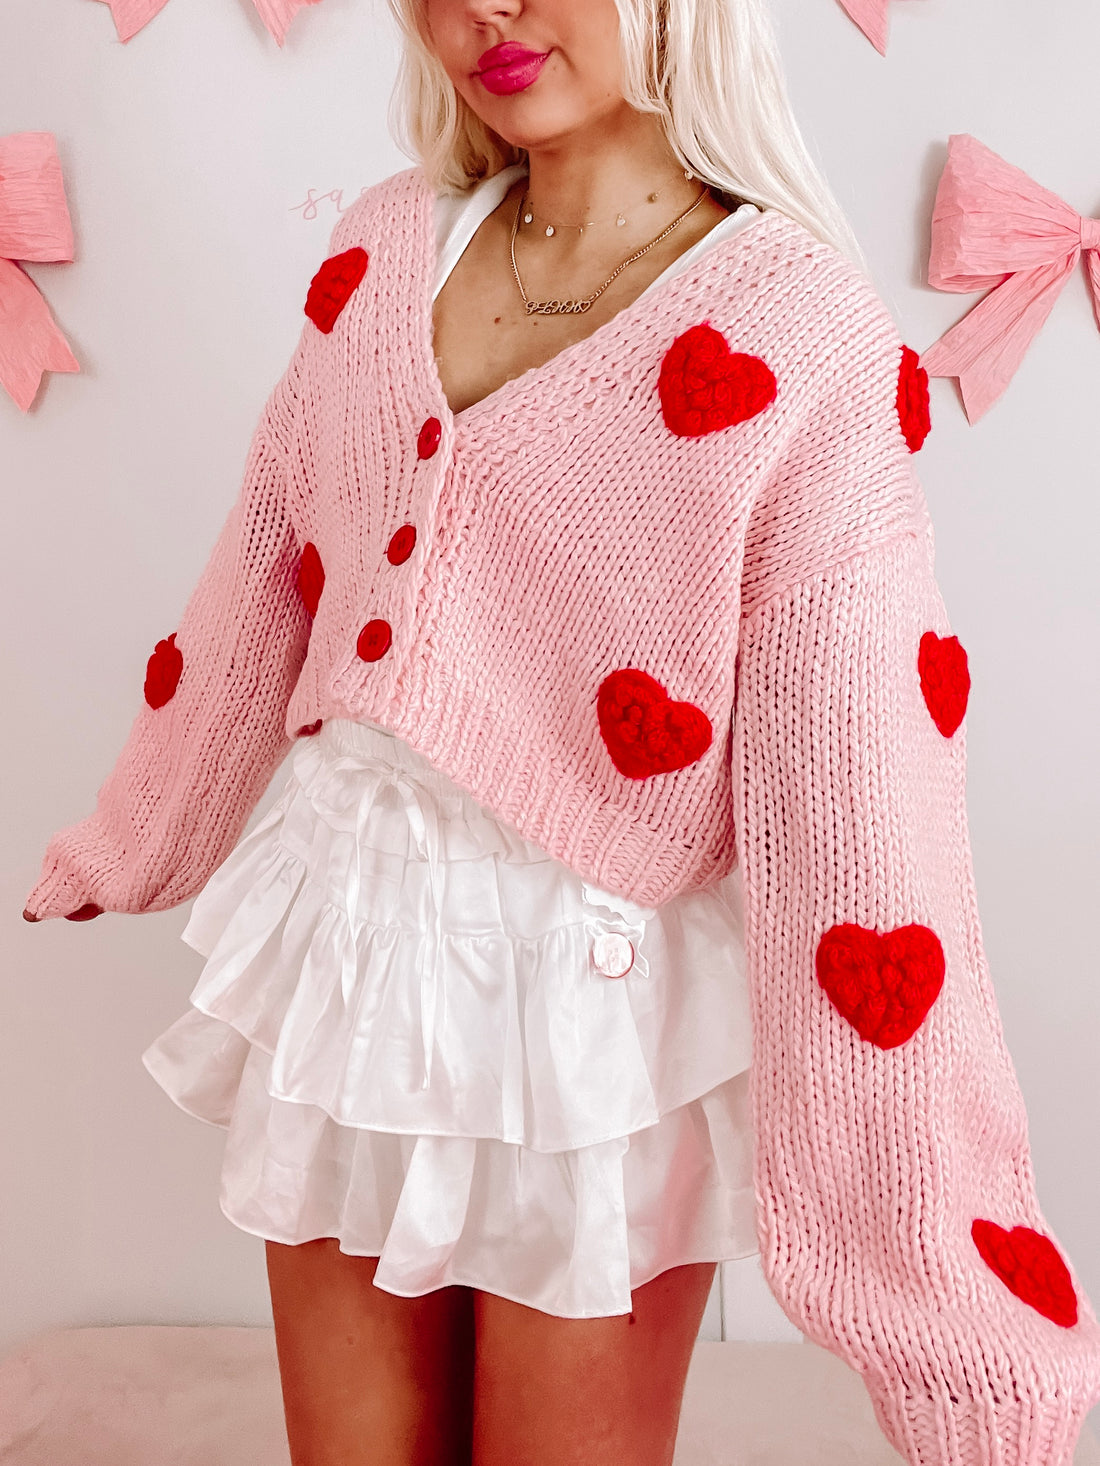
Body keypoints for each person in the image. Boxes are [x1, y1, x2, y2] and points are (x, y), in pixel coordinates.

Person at [23, 0, 1100, 1464]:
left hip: (597, 1006)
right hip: (351, 949)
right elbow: (270, 562)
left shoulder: (798, 332)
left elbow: (868, 810)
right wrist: (136, 832)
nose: (486, 11)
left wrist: (956, 1322)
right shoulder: (392, 242)